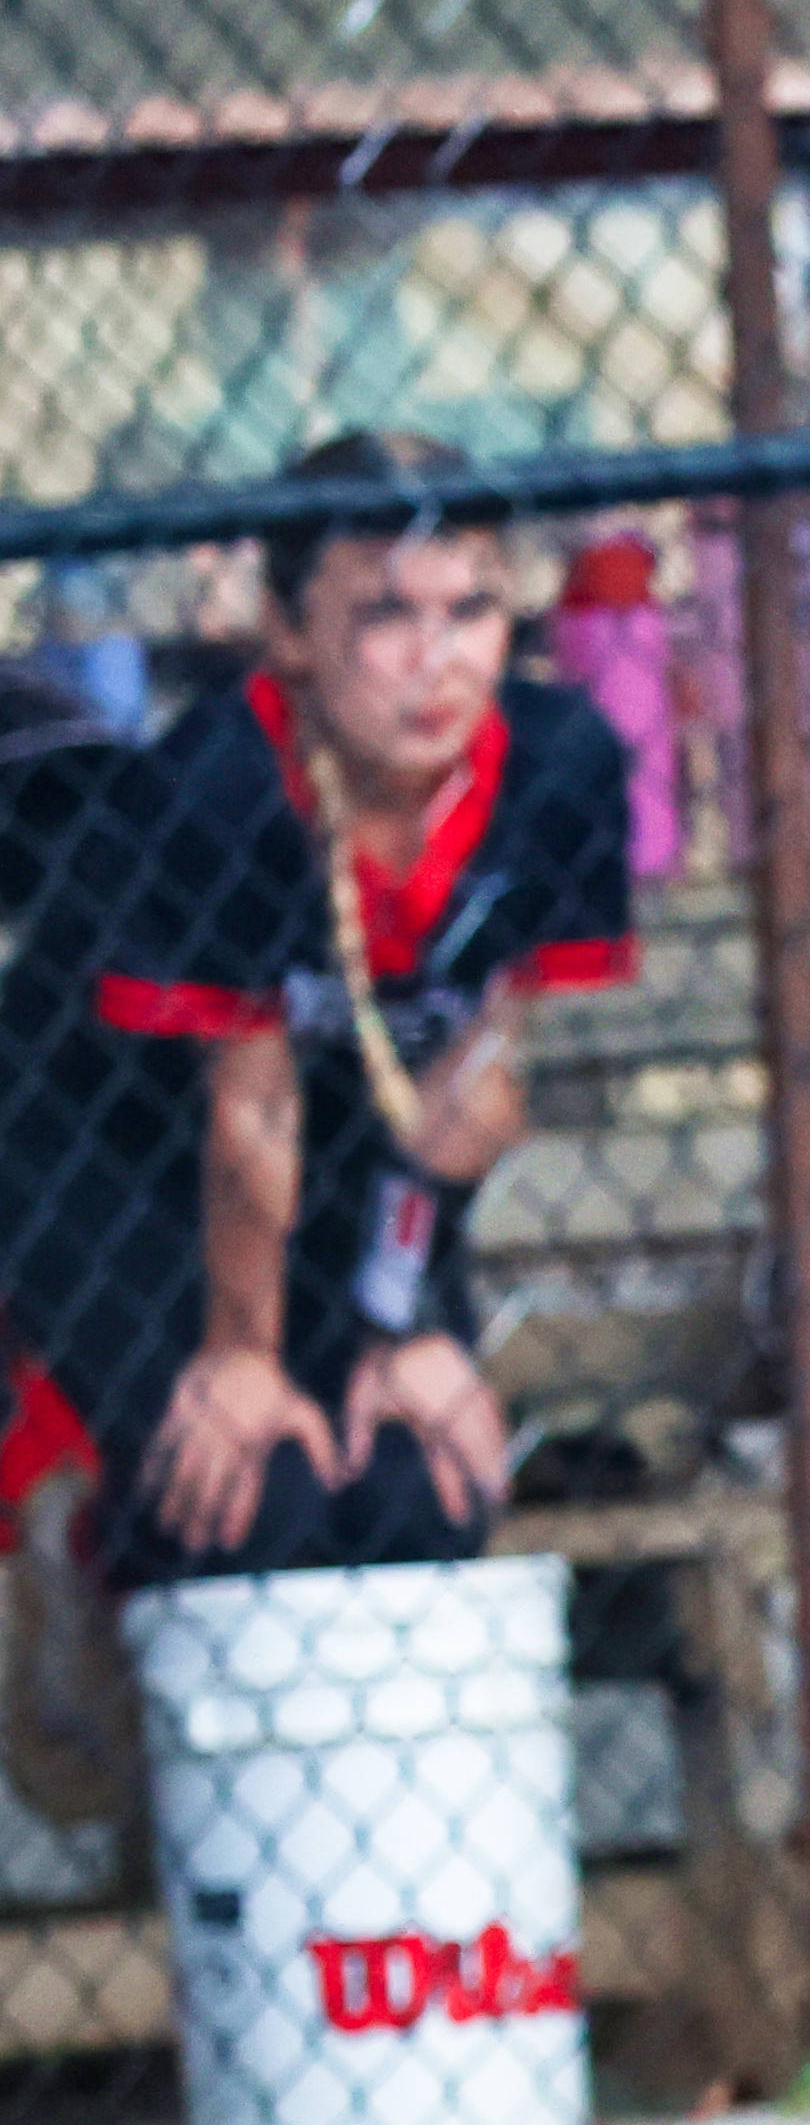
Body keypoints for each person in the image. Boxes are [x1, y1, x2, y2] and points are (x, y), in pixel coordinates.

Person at [0, 443, 632, 1588]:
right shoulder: (219, 785)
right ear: (287, 631)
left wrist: (407, 1326)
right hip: (107, 1143)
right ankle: (102, 1590)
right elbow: (249, 1112)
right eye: (386, 615)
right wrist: (242, 1356)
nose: (436, 660)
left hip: (346, 1140)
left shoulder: (558, 765)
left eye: (471, 610)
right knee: (245, 1494)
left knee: (419, 1482)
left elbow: (472, 1086)